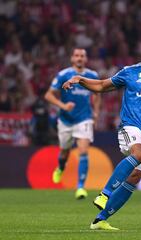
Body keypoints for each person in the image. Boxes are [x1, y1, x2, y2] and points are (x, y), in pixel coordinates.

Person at [62, 34, 141, 230]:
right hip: (129, 127)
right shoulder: (130, 72)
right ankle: (104, 194)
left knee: (136, 177)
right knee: (139, 153)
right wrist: (80, 79)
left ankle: (100, 220)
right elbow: (102, 85)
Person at [44, 48, 101, 199]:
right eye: (76, 55)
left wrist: (96, 113)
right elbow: (48, 95)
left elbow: (97, 94)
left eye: (82, 56)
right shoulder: (63, 75)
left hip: (84, 118)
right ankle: (61, 167)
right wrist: (63, 106)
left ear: (86, 59)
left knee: (83, 150)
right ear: (72, 58)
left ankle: (81, 187)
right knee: (64, 151)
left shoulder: (92, 75)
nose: (79, 58)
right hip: (65, 119)